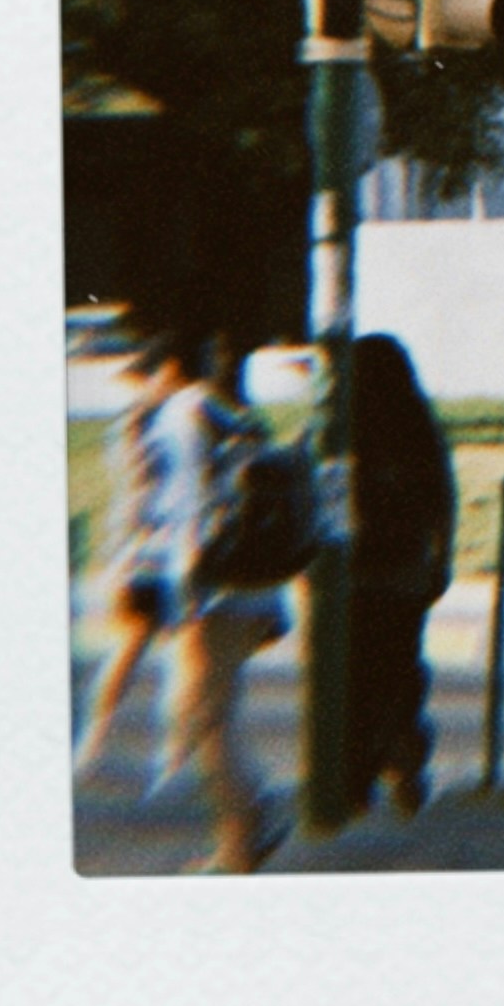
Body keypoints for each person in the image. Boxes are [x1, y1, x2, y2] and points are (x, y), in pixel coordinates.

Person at [156, 334, 287, 874]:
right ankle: (250, 822)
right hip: (255, 585)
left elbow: (189, 507)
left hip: (215, 590)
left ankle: (242, 843)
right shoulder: (242, 417)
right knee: (211, 713)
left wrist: (185, 593)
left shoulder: (184, 413)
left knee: (205, 717)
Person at [74, 329, 200, 783]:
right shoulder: (169, 422)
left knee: (126, 653)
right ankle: (172, 758)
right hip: (165, 552)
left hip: (138, 555)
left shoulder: (132, 424)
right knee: (178, 658)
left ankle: (94, 742)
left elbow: (133, 494)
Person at [348, 332, 457, 817]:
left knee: (356, 678)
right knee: (400, 670)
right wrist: (441, 558)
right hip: (405, 570)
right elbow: (443, 498)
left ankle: (359, 774)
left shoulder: (347, 427)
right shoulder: (420, 424)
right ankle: (404, 763)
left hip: (356, 573)